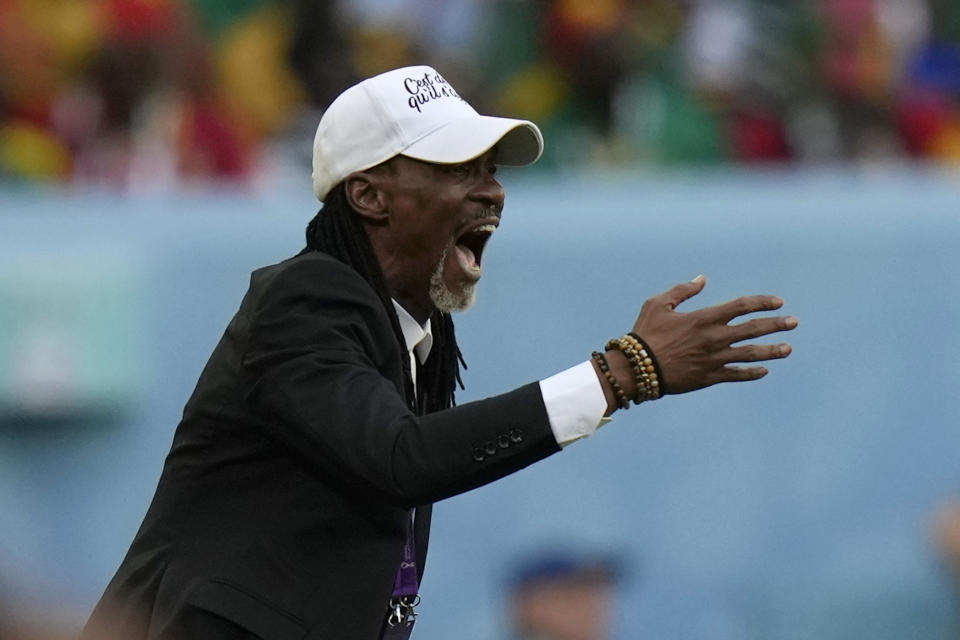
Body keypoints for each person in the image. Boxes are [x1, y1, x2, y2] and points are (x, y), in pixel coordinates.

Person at [81, 65, 797, 640]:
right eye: (459, 169)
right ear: (369, 194)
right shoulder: (307, 299)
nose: (491, 192)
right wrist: (619, 375)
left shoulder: (413, 336)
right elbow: (402, 458)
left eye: (491, 170)